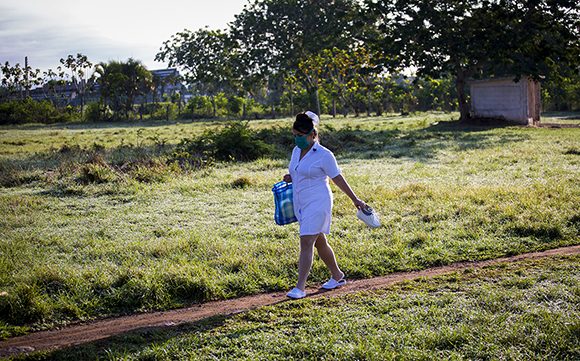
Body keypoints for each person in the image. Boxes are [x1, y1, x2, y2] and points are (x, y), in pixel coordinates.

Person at [283, 111, 367, 299]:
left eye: (300, 136)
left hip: (318, 202)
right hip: (301, 202)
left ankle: (300, 287)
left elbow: (337, 178)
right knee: (319, 241)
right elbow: (298, 170)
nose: (297, 139)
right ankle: (337, 276)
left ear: (313, 134)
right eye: (294, 135)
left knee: (306, 242)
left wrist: (355, 200)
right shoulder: (296, 151)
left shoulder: (324, 155)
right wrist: (291, 176)